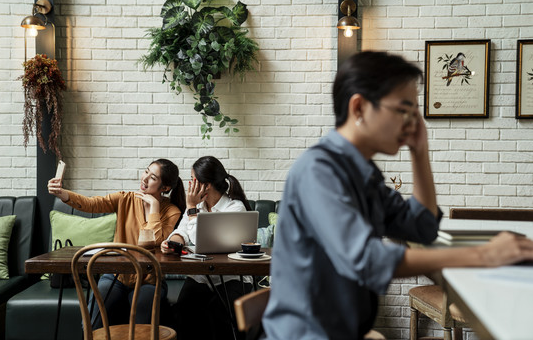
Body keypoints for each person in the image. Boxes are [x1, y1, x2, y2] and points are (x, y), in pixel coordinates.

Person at [261, 51, 533, 339]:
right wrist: (483, 255)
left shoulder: (363, 173)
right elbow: (367, 260)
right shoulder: (319, 171)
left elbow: (422, 227)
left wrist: (420, 151)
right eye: (403, 110)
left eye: (414, 113)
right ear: (359, 108)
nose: (412, 122)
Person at [48, 158, 186, 329]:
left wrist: (155, 208)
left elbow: (153, 241)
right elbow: (91, 204)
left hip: (149, 280)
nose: (144, 178)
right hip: (115, 275)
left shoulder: (171, 211)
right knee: (91, 323)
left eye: (152, 178)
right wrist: (62, 193)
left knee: (143, 327)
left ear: (165, 188)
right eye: (146, 171)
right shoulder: (125, 199)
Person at [160, 155, 252, 340]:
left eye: (193, 180)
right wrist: (173, 242)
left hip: (232, 277)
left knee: (219, 315)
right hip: (202, 276)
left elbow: (204, 241)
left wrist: (192, 209)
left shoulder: (235, 208)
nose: (189, 184)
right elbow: (183, 231)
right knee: (183, 312)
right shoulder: (197, 206)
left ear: (206, 185)